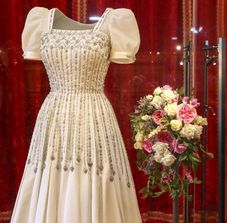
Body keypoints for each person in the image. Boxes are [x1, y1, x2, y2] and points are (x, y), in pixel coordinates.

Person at [12, 7, 142, 222]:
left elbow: (123, 56)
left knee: (94, 166)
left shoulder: (117, 20)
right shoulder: (40, 19)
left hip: (94, 113)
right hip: (55, 113)